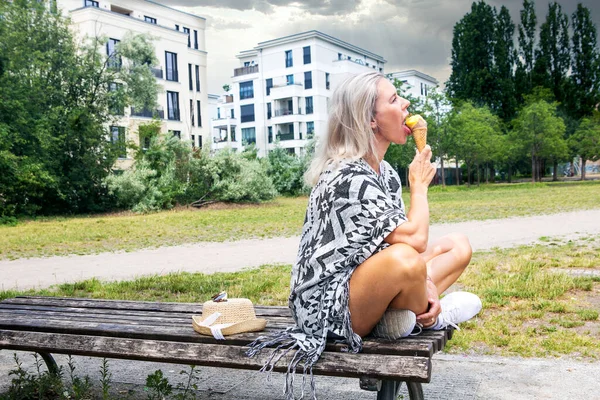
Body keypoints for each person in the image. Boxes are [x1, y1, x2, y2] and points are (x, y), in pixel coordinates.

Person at [247, 71, 481, 399]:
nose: (406, 104)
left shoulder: (384, 173)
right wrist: (419, 187)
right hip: (327, 305)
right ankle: (424, 319)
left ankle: (411, 313)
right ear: (371, 119)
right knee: (407, 260)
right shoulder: (345, 175)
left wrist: (423, 280)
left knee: (458, 245)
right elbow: (413, 242)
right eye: (394, 100)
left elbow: (397, 244)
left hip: (364, 278)